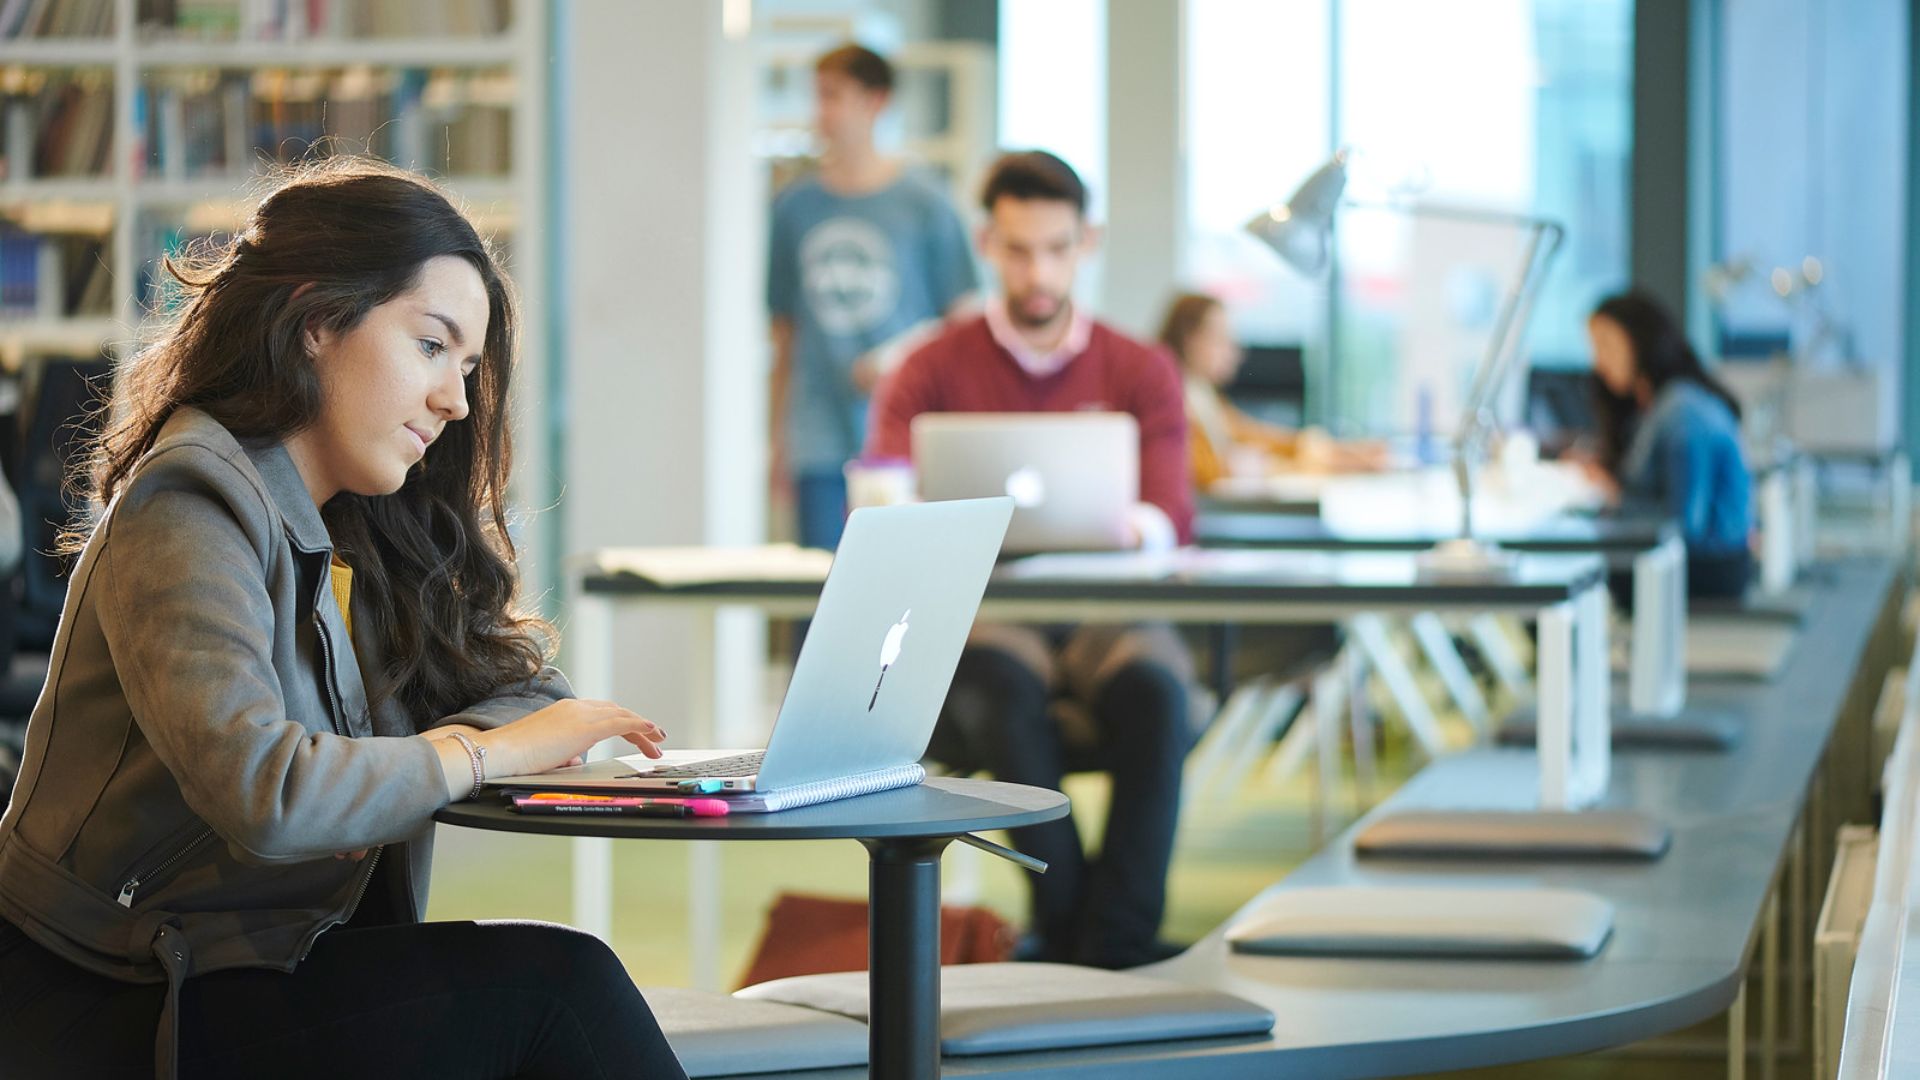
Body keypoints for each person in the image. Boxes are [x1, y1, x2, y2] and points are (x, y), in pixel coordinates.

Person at [0, 160, 688, 1080]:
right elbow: (268, 791)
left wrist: (497, 733)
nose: (455, 399)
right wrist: (483, 754)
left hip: (257, 962)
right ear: (318, 318)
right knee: (560, 989)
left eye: (471, 368)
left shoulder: (357, 521)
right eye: (432, 346)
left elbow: (523, 695)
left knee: (557, 987)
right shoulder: (188, 508)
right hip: (112, 998)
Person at [867, 150, 1196, 970]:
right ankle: (1078, 928)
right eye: (1018, 250)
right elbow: (881, 493)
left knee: (1157, 691)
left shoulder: (1139, 367)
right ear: (988, 242)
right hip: (985, 609)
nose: (1038, 270)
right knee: (1005, 687)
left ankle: (1108, 936)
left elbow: (1173, 515)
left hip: (1107, 605)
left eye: (1056, 248)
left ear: (1088, 242)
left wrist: (1134, 527)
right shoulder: (932, 366)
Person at [767, 42, 979, 551]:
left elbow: (965, 323)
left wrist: (893, 358)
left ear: (875, 101)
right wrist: (778, 441)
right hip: (818, 439)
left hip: (903, 442)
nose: (822, 112)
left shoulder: (926, 205)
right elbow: (784, 332)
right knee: (819, 594)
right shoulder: (795, 208)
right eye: (818, 96)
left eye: (834, 96)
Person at [1584, 289, 1754, 598]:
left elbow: (1684, 526)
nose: (1598, 362)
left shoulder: (1683, 412)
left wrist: (1615, 498)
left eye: (1606, 345)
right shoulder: (1658, 405)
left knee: (1574, 581)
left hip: (1709, 569)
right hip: (1698, 563)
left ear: (1639, 339)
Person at [1156, 290, 1384, 488]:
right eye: (1221, 339)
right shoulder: (1171, 401)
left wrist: (1337, 452)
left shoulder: (1202, 396)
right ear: (1190, 339)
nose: (1234, 352)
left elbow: (1254, 435)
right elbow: (1209, 473)